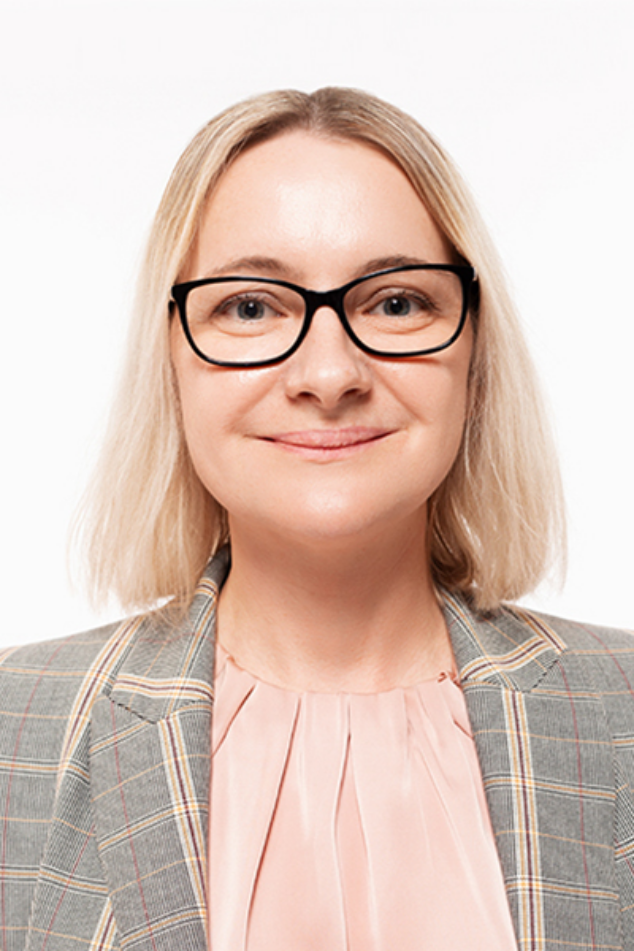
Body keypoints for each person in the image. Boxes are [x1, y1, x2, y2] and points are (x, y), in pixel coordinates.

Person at [1, 87, 633, 951]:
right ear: (171, 355)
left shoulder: (620, 712)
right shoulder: (16, 729)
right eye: (251, 307)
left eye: (396, 302)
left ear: (473, 347)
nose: (329, 374)